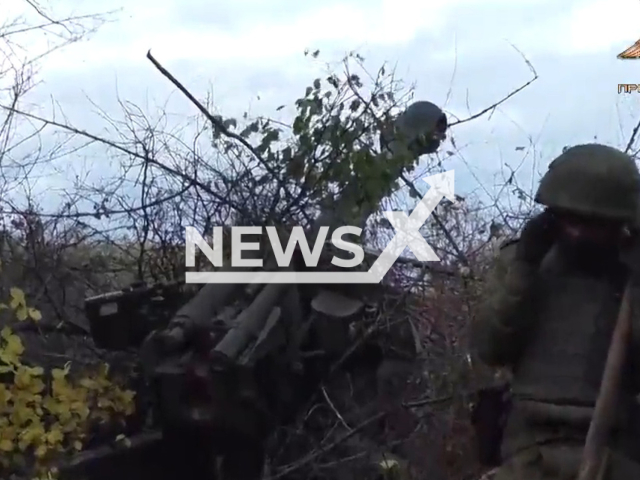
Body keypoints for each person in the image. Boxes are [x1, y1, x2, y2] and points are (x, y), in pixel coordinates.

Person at [470, 143, 640, 479]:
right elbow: (490, 347)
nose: (577, 231)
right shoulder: (525, 263)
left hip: (615, 446)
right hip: (530, 445)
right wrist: (523, 271)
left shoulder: (633, 274)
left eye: (591, 222)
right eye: (570, 218)